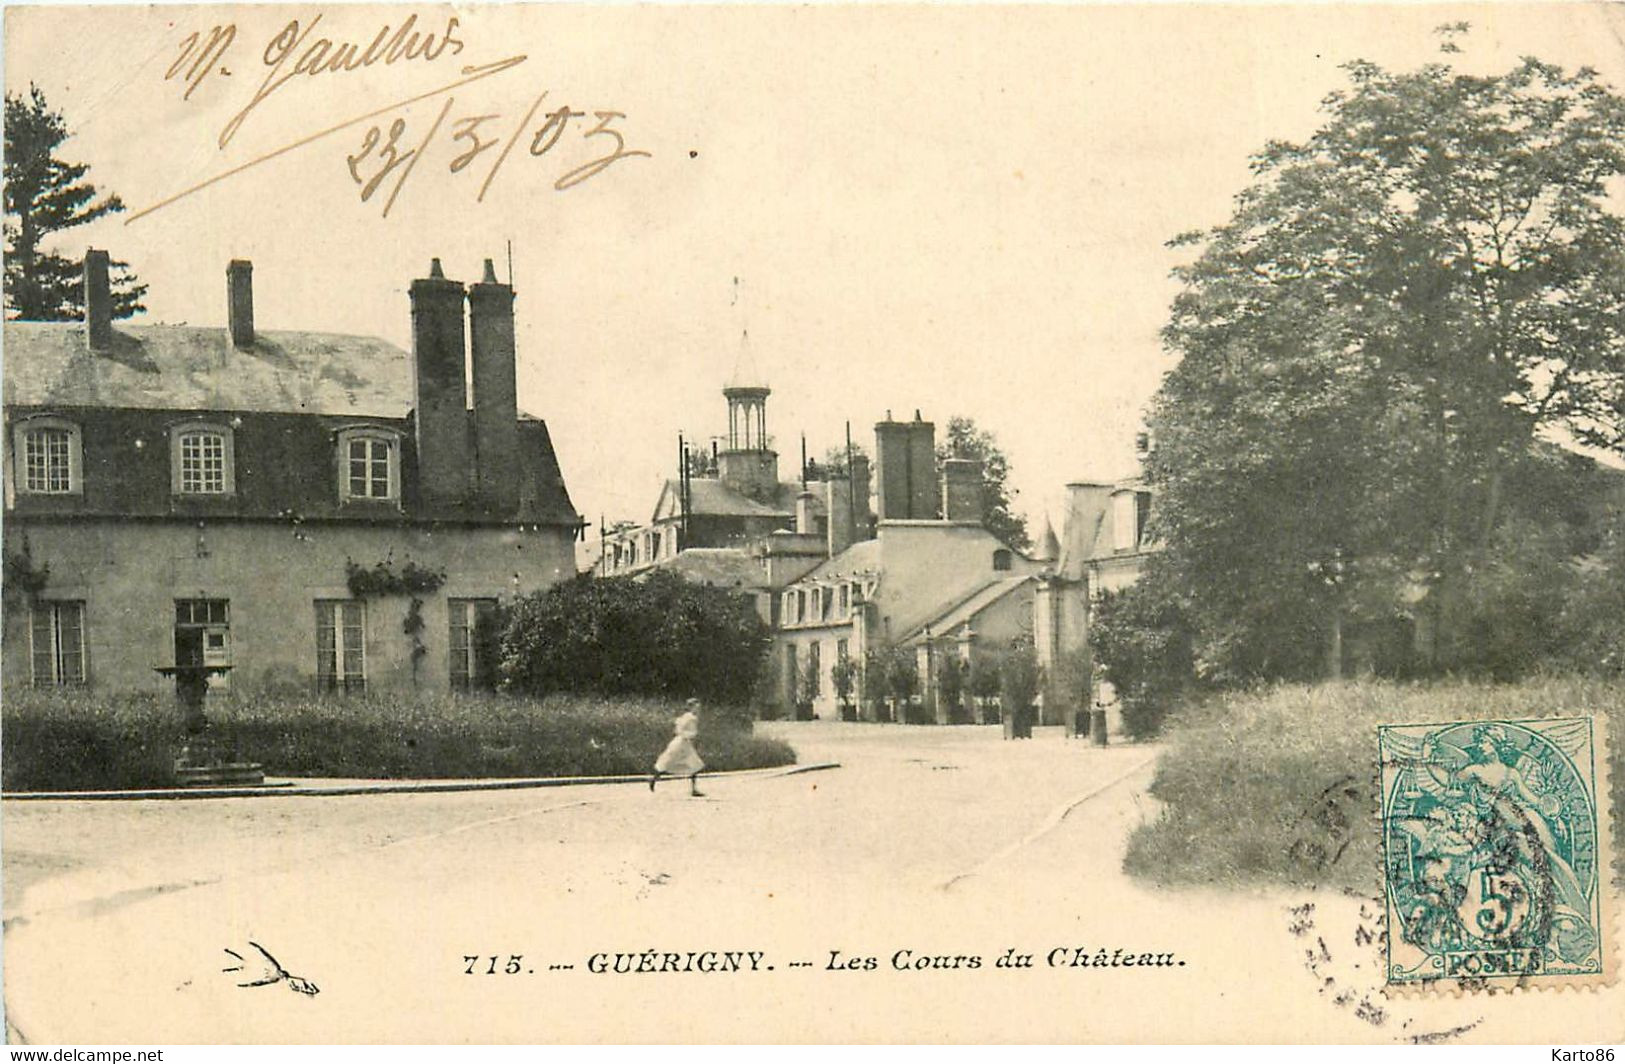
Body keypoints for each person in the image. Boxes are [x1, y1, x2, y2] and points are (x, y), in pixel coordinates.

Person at [650, 702, 706, 797]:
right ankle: (653, 779)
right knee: (667, 762)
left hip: (685, 743)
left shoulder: (687, 717)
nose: (698, 709)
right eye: (696, 707)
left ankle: (693, 789)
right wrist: (690, 734)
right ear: (691, 707)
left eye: (699, 707)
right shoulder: (690, 718)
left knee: (695, 764)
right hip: (680, 743)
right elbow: (680, 730)